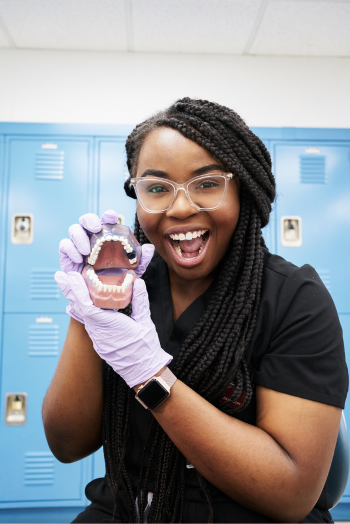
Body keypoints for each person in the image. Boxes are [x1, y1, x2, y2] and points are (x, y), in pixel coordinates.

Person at [42, 98, 348, 523]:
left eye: (206, 184)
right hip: (129, 508)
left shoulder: (294, 299)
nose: (180, 207)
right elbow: (66, 444)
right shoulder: (128, 285)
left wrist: (150, 376)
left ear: (243, 188)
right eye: (157, 188)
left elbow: (292, 492)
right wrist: (89, 304)